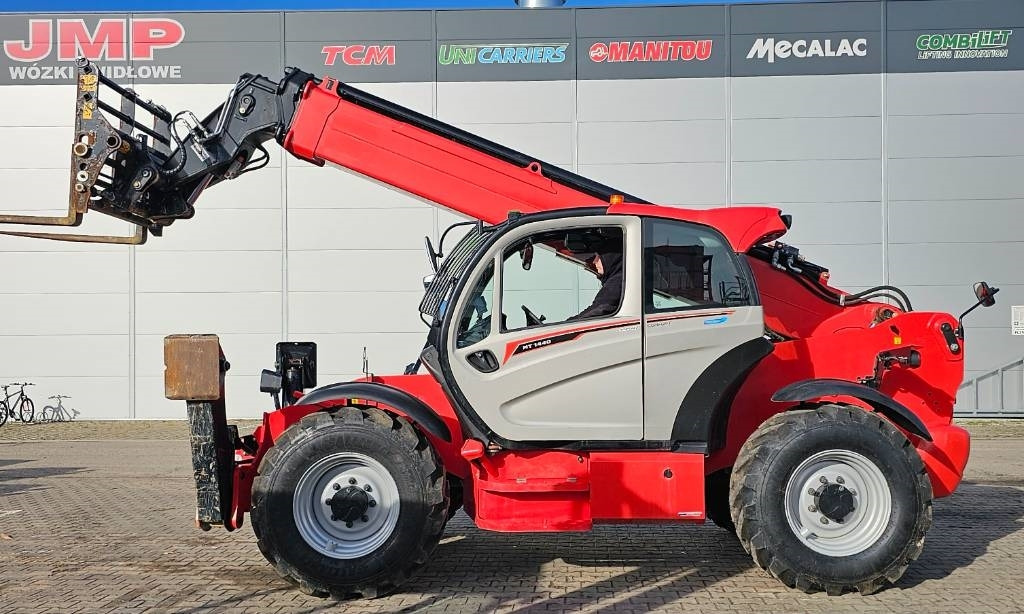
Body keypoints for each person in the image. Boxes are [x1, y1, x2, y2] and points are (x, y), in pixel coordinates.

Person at [568, 246, 624, 321]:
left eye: (598, 257)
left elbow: (599, 309)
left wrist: (571, 322)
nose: (594, 261)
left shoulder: (616, 282)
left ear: (609, 258)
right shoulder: (619, 279)